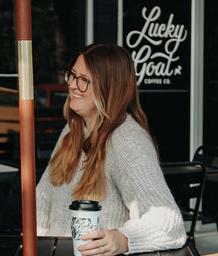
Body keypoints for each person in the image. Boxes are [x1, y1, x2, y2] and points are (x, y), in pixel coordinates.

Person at [36, 43, 187, 255]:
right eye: (72, 75)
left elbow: (168, 222)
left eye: (84, 81)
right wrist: (37, 243)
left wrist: (123, 238)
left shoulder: (126, 141)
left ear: (109, 88)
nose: (71, 85)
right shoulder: (74, 129)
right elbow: (41, 198)